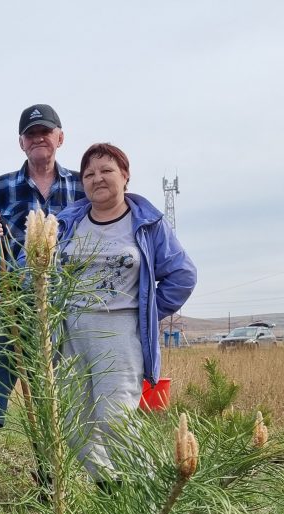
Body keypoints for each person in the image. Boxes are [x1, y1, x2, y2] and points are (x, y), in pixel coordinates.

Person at [54, 142, 196, 482]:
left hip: (119, 333)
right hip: (71, 333)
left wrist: (144, 311)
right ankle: (112, 488)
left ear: (125, 176)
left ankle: (150, 490)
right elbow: (36, 265)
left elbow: (183, 276)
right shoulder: (68, 223)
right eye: (89, 173)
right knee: (73, 423)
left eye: (106, 171)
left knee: (114, 419)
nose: (97, 179)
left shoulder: (147, 224)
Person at [0, 104, 85, 460]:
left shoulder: (82, 185)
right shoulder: (0, 187)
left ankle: (52, 475)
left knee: (52, 393)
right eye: (31, 134)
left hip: (62, 308)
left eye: (45, 132)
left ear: (60, 137)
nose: (38, 139)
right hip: (10, 304)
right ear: (21, 143)